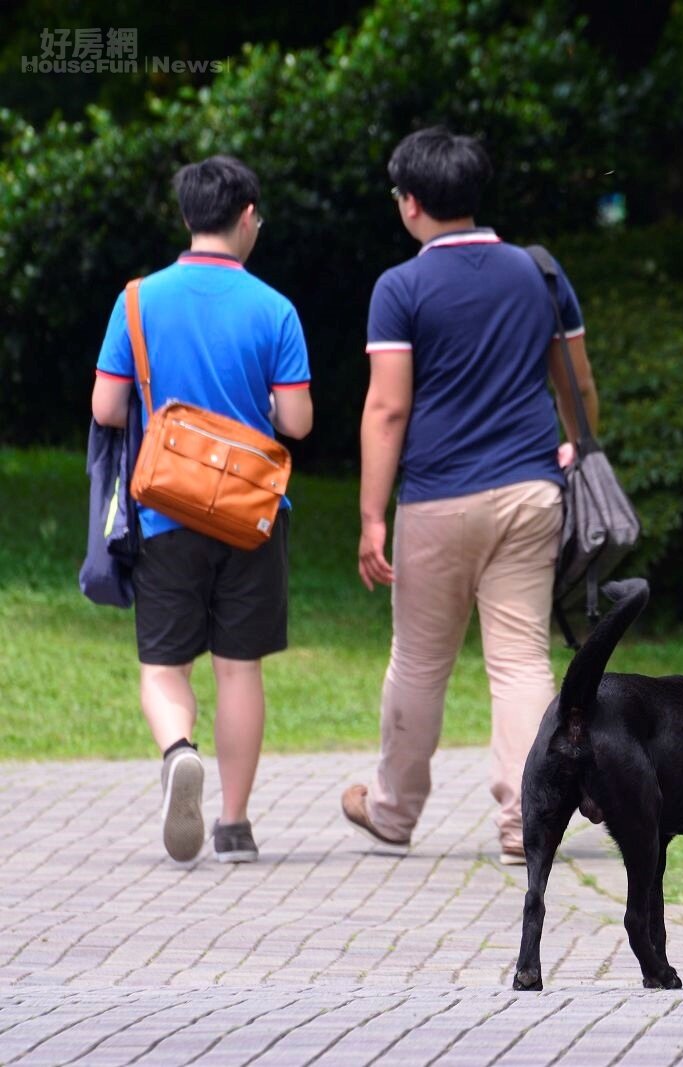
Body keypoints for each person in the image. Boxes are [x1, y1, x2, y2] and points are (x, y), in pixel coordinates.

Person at [342, 127, 597, 865]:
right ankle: (528, 823)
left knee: (421, 662)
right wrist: (577, 444)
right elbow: (576, 383)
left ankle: (391, 812)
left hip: (438, 498)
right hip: (530, 490)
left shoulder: (401, 287)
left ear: (411, 203)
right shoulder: (539, 273)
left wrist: (369, 515)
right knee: (520, 662)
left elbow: (387, 408)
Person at [90, 155, 314, 865]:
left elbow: (105, 406)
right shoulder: (275, 308)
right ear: (247, 216)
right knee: (239, 667)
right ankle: (236, 824)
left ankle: (178, 749)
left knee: (164, 667)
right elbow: (298, 421)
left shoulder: (137, 300)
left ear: (187, 216)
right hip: (249, 514)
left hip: (164, 511)